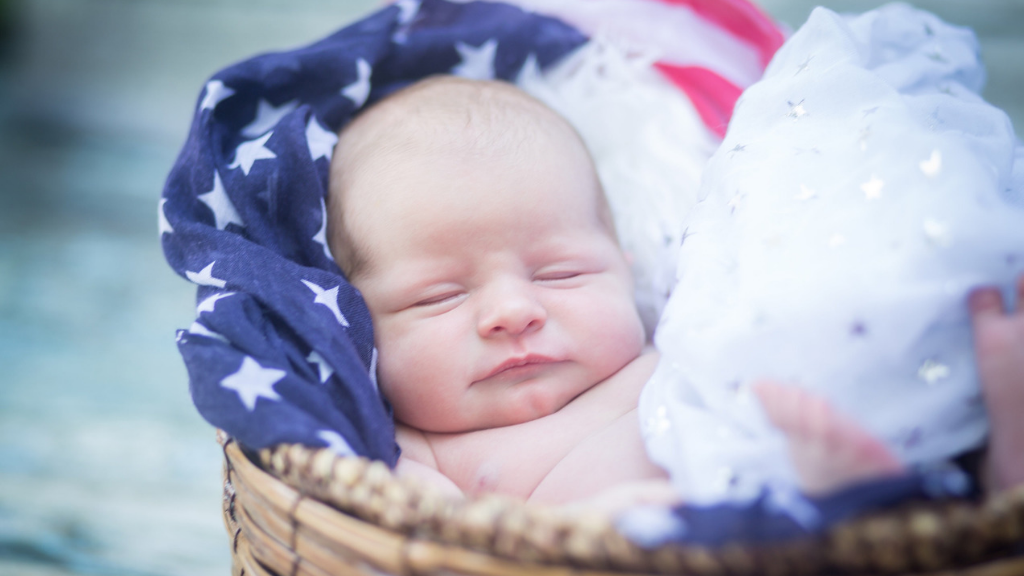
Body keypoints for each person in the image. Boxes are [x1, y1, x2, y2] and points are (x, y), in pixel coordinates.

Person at [325, 75, 1024, 508]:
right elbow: (429, 537)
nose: (513, 312)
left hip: (795, 459)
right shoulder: (412, 451)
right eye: (438, 297)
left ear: (626, 270)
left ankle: (995, 454)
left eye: (560, 274)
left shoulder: (675, 346)